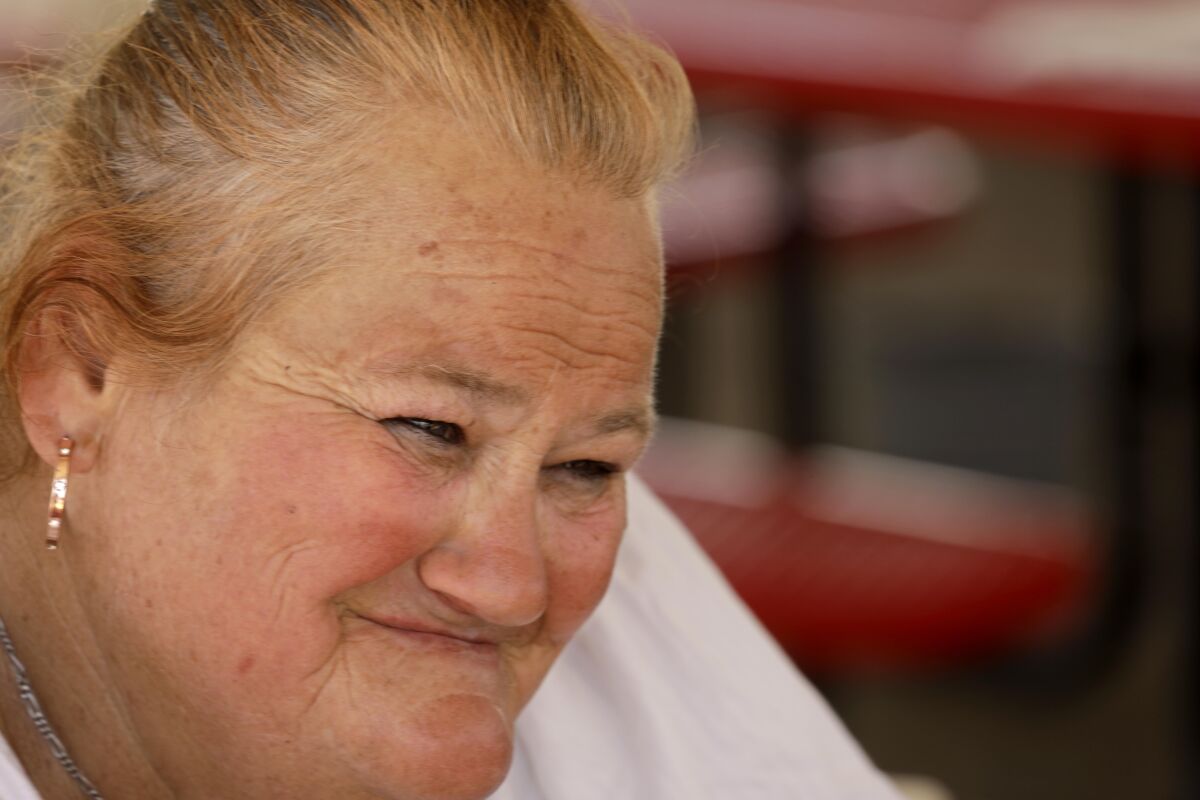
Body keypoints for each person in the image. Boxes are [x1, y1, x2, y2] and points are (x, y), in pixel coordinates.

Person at [0, 1, 902, 798]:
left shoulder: (636, 613)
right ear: (78, 368)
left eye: (586, 469)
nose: (512, 590)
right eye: (431, 429)